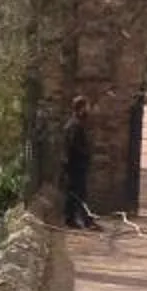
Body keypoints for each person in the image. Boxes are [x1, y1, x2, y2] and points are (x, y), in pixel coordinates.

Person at [59, 95, 97, 227]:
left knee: (75, 194)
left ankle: (73, 220)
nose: (89, 109)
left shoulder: (75, 124)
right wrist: (86, 154)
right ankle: (84, 221)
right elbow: (74, 146)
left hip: (74, 165)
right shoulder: (74, 126)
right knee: (78, 194)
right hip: (75, 165)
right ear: (81, 108)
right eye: (87, 107)